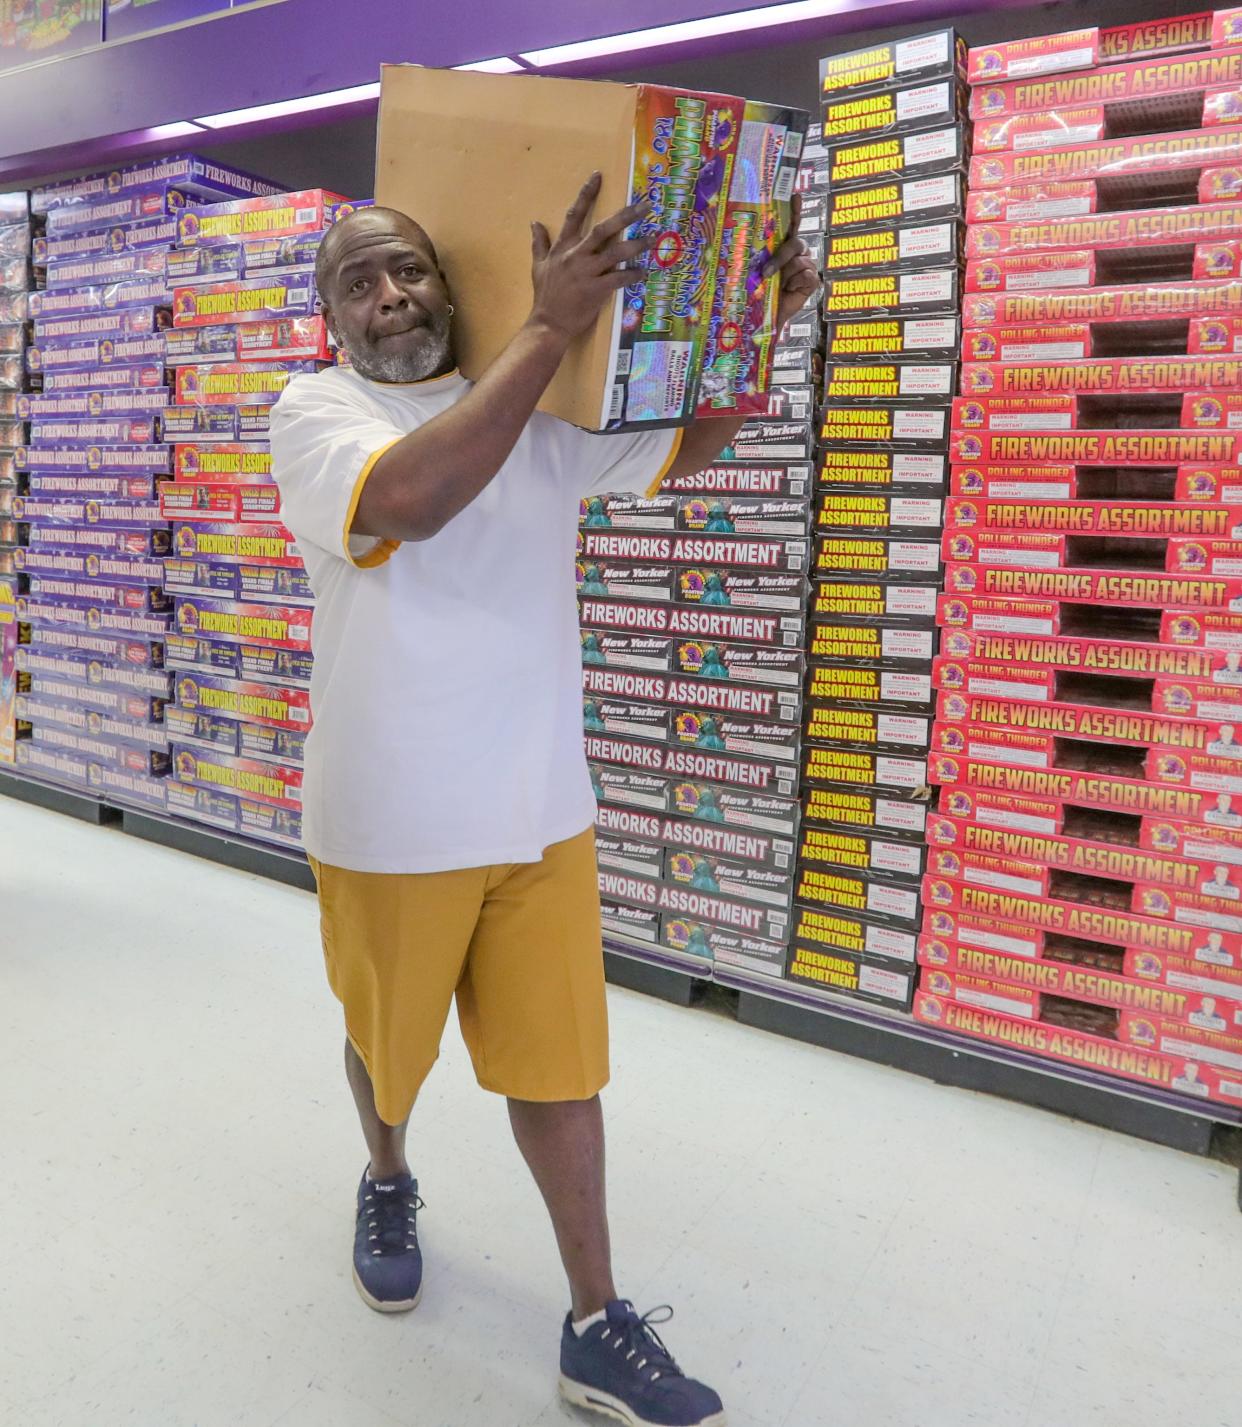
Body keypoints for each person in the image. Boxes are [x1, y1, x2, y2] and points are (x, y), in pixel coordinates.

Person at [269, 179, 817, 1427]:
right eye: (358, 280)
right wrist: (546, 330)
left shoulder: (540, 401)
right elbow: (411, 498)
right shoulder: (315, 412)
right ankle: (388, 1168)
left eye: (406, 268)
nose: (390, 294)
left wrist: (763, 319)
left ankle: (593, 1317)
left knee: (561, 1068)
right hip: (391, 814)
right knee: (386, 1043)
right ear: (330, 317)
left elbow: (686, 451)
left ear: (448, 283)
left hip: (537, 805)